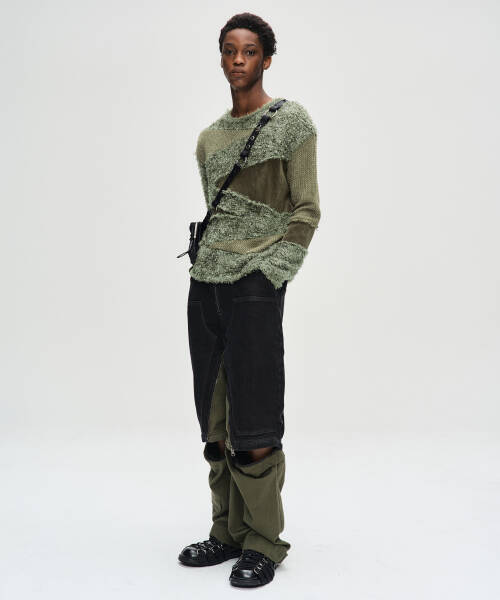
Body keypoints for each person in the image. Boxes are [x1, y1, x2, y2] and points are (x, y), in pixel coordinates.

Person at [178, 12, 321, 588]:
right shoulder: (209, 139)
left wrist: (270, 275)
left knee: (255, 418)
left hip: (255, 288)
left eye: (250, 50)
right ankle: (227, 532)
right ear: (221, 57)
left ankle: (263, 541)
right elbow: (222, 218)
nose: (238, 59)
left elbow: (306, 209)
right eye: (229, 50)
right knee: (214, 420)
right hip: (205, 286)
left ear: (267, 58)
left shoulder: (291, 122)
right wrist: (210, 269)